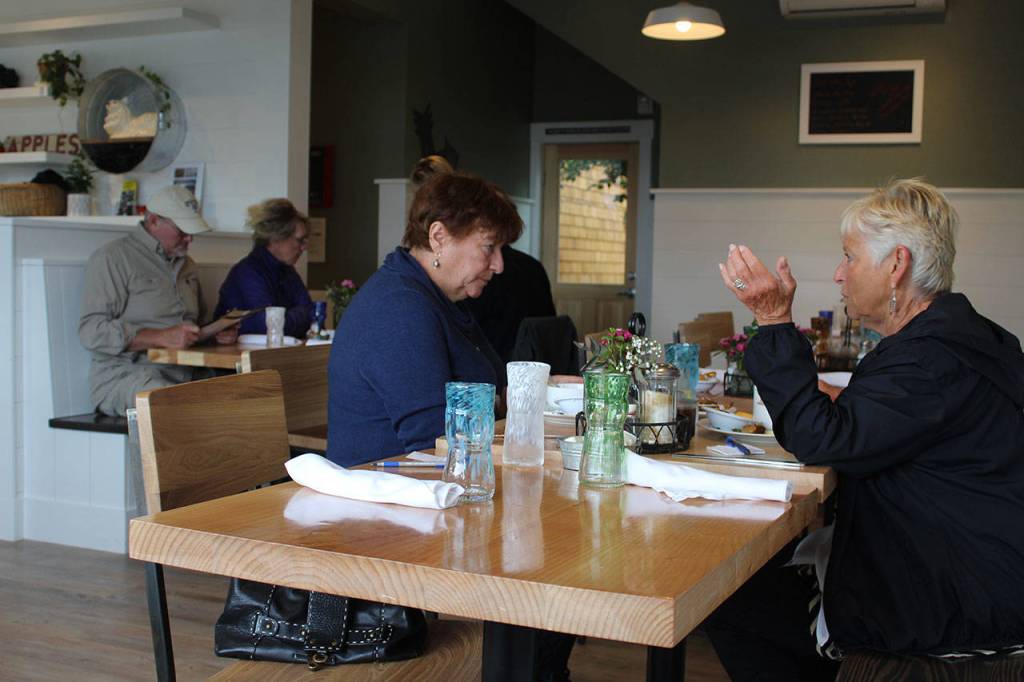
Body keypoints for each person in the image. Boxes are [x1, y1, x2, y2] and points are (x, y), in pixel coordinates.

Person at [706, 178, 1024, 680]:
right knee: (748, 589)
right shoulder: (964, 336)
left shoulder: (929, 360)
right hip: (980, 566)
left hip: (954, 601)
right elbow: (884, 417)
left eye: (849, 257)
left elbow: (821, 439)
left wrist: (773, 319)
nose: (838, 273)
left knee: (727, 596)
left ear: (896, 265)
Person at [327, 172, 519, 468]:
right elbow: (435, 443)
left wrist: (542, 391)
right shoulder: (399, 309)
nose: (499, 265)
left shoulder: (441, 299)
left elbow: (495, 389)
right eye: (488, 247)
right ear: (438, 237)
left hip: (430, 486)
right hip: (383, 498)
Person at [79, 186, 238, 416]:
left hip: (184, 371)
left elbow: (193, 326)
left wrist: (216, 334)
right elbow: (91, 331)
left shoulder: (188, 265)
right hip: (126, 374)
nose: (189, 238)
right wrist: (159, 337)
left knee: (248, 392)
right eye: (182, 231)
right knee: (173, 405)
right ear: (154, 221)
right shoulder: (113, 258)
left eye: (191, 232)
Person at [214, 198, 313, 338]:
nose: (304, 247)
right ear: (277, 237)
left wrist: (285, 318)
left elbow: (312, 314)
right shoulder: (247, 273)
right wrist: (299, 315)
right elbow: (268, 327)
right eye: (299, 240)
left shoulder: (288, 271)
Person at [465, 245, 557, 363]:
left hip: (493, 366)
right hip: (538, 364)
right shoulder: (533, 265)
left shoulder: (481, 275)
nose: (498, 266)